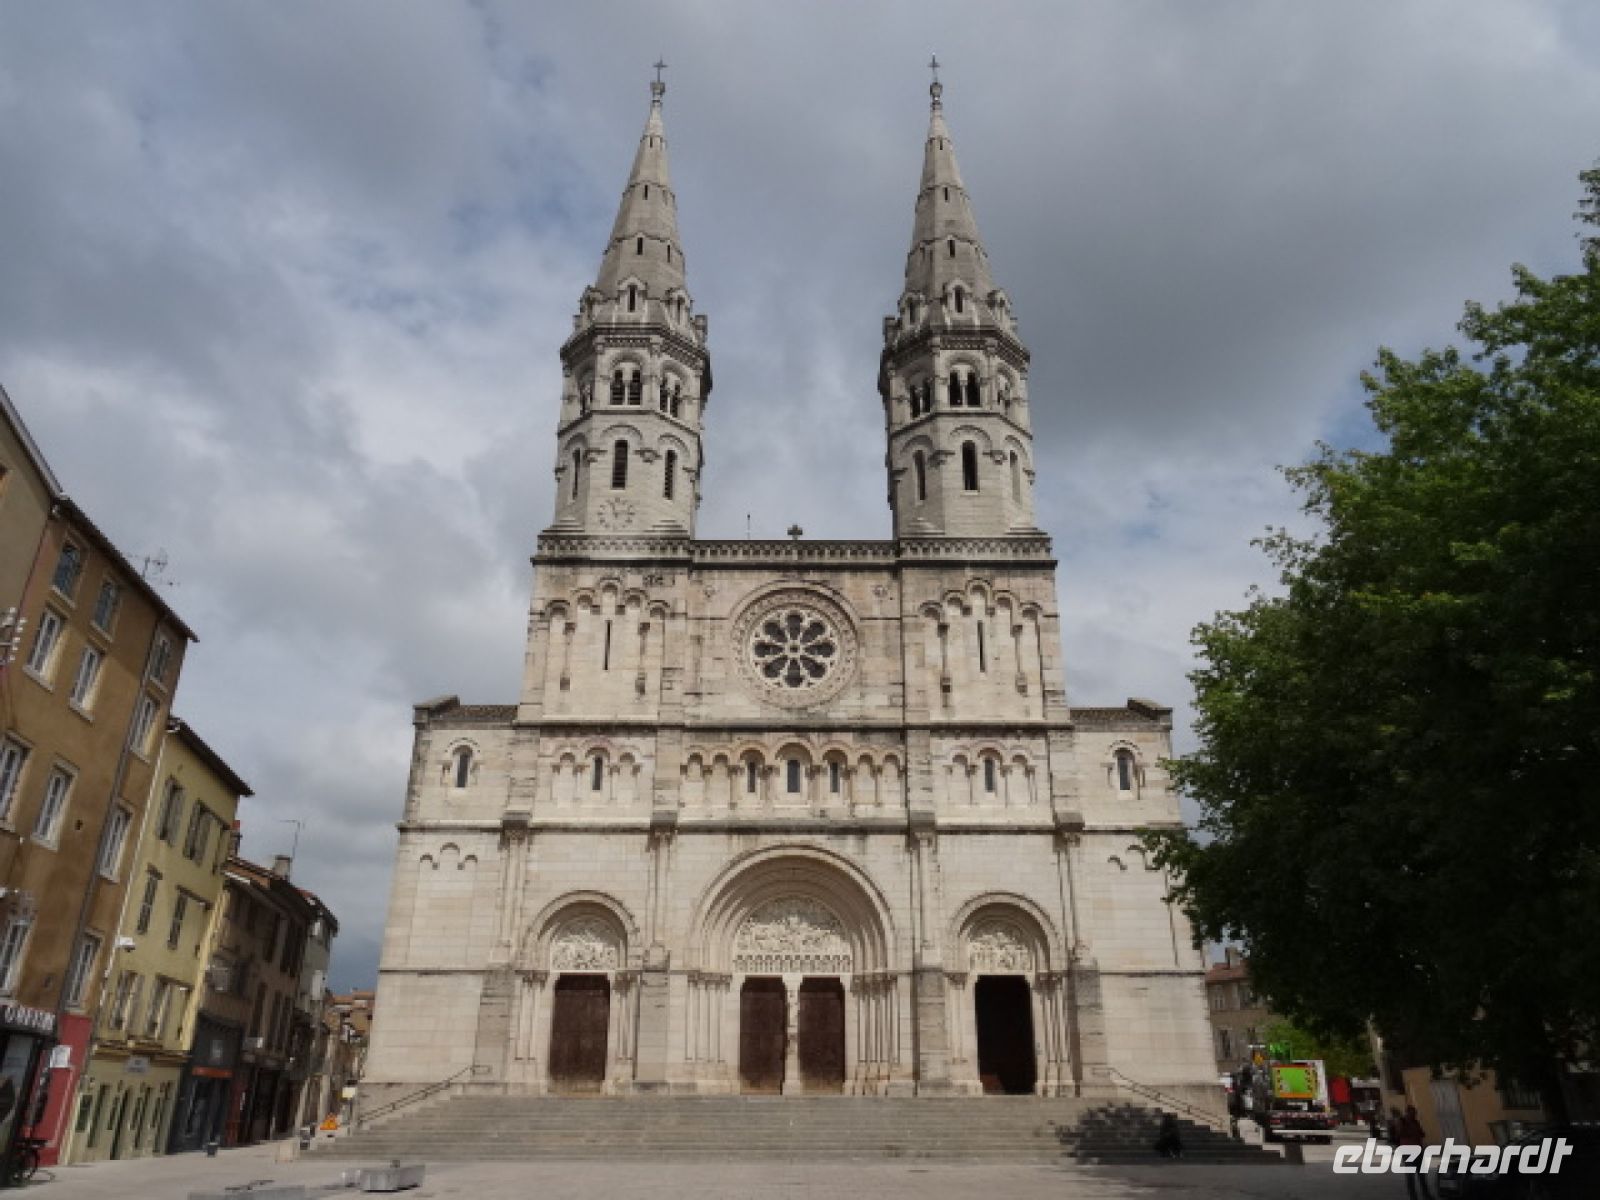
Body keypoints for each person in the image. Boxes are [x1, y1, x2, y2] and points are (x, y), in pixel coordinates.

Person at [1394, 1105, 1432, 1199]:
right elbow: (1399, 1134)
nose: (1414, 1115)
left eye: (1415, 1113)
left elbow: (1422, 1133)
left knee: (1421, 1175)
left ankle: (1426, 1194)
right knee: (1410, 1175)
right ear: (1407, 1113)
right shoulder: (1401, 1122)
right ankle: (1413, 1196)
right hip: (1408, 1151)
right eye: (1412, 1113)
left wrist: (1419, 1133)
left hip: (1418, 1150)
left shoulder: (1415, 1122)